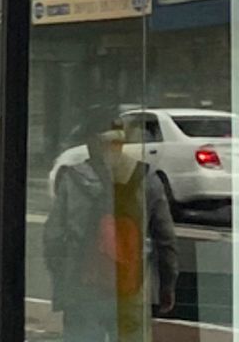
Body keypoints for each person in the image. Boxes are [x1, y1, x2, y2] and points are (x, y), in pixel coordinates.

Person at [44, 113, 178, 340]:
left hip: (83, 288)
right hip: (131, 287)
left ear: (91, 143)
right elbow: (166, 240)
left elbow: (53, 237)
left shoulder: (73, 179)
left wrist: (63, 279)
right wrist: (167, 286)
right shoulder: (147, 179)